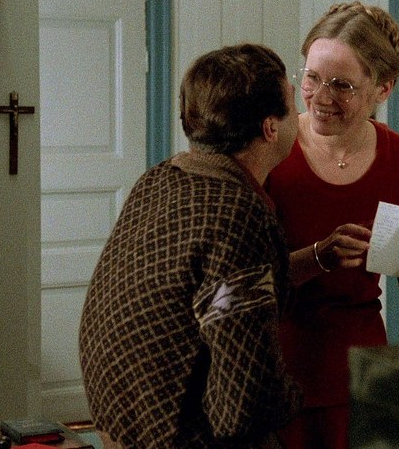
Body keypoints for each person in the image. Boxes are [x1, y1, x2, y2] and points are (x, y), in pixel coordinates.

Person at [265, 1, 399, 448]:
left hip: (359, 378)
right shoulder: (268, 148)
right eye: (312, 78)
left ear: (383, 88)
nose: (321, 98)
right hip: (269, 374)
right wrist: (318, 257)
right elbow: (236, 278)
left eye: (342, 85)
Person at [78, 43, 303, 448]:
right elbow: (243, 400)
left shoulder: (159, 179)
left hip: (116, 420)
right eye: (294, 100)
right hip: (173, 436)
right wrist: (297, 398)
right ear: (270, 128)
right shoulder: (237, 213)